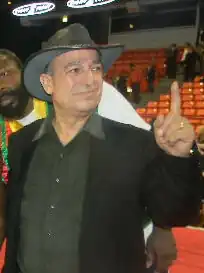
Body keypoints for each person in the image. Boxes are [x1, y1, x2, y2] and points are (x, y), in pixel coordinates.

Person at [5, 24, 201, 273]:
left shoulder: (135, 144)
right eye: (75, 69)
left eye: (95, 68)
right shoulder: (22, 143)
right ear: (48, 83)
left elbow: (177, 212)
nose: (90, 80)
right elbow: (17, 227)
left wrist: (179, 158)